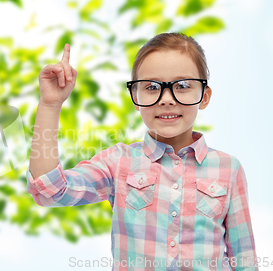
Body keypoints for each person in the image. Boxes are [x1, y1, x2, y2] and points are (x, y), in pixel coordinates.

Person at [26, 32, 258, 270]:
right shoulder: (119, 162)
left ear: (204, 96)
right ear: (135, 97)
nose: (167, 99)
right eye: (151, 87)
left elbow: (245, 260)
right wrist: (50, 105)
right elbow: (49, 190)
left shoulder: (229, 169)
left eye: (183, 85)